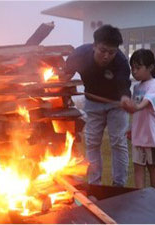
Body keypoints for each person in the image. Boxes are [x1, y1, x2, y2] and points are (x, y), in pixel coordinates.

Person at [65, 24, 131, 186]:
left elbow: (124, 86)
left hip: (116, 104)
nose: (107, 56)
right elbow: (65, 76)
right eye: (103, 50)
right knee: (92, 142)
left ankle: (119, 186)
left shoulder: (121, 62)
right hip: (93, 103)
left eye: (111, 52)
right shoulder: (79, 55)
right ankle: (95, 184)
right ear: (94, 46)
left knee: (118, 142)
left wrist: (125, 99)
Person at [121, 49, 155, 189]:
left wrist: (131, 106)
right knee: (138, 167)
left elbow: (142, 105)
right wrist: (131, 128)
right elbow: (135, 112)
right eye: (132, 68)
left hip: (153, 138)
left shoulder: (154, 86)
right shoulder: (137, 87)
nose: (134, 71)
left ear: (150, 67)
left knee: (153, 168)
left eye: (138, 67)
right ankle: (140, 197)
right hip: (138, 136)